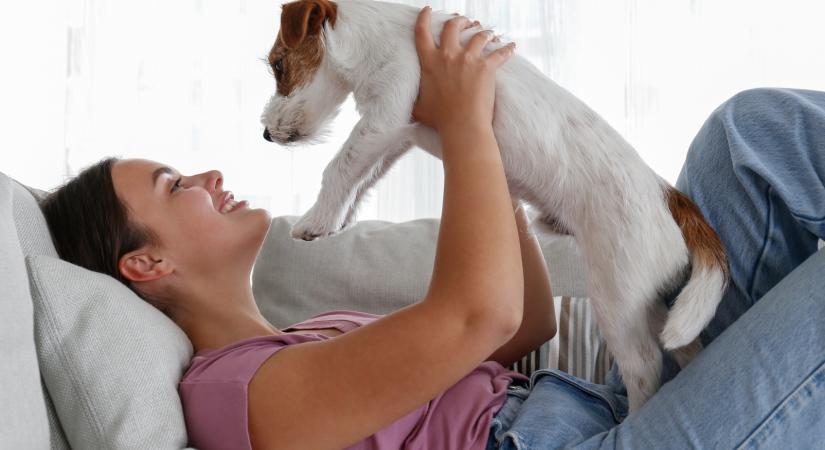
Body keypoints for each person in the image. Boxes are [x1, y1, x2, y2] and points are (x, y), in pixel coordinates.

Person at [39, 6, 825, 450]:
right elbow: (476, 313)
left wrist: (472, 136)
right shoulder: (233, 393)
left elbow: (522, 322)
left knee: (749, 136)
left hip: (603, 410)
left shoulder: (306, 334)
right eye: (174, 185)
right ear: (145, 264)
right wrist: (465, 124)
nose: (209, 176)